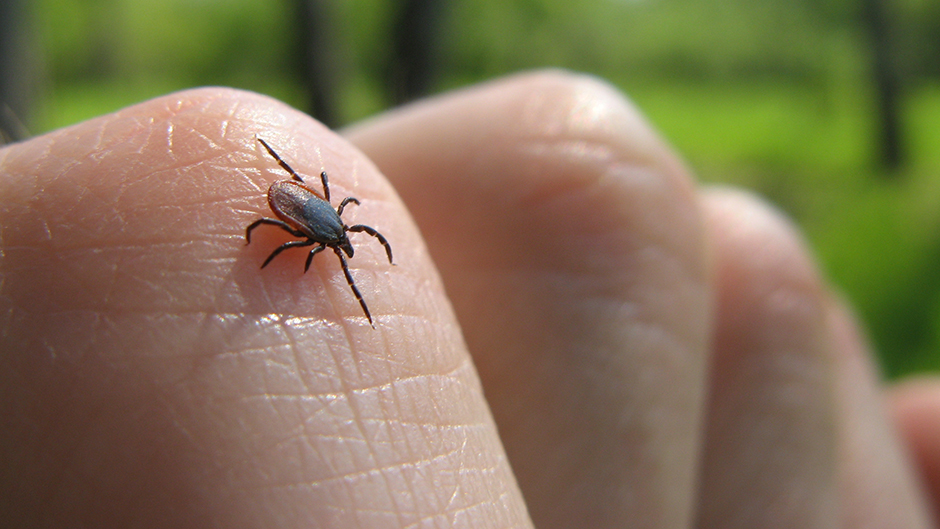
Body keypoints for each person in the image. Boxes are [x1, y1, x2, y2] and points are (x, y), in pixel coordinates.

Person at [1, 70, 938, 528]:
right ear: (327, 230)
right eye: (331, 239)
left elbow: (291, 219)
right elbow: (300, 221)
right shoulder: (324, 228)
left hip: (298, 185)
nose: (331, 246)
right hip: (297, 185)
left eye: (331, 239)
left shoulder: (312, 226)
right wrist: (307, 234)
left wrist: (297, 229)